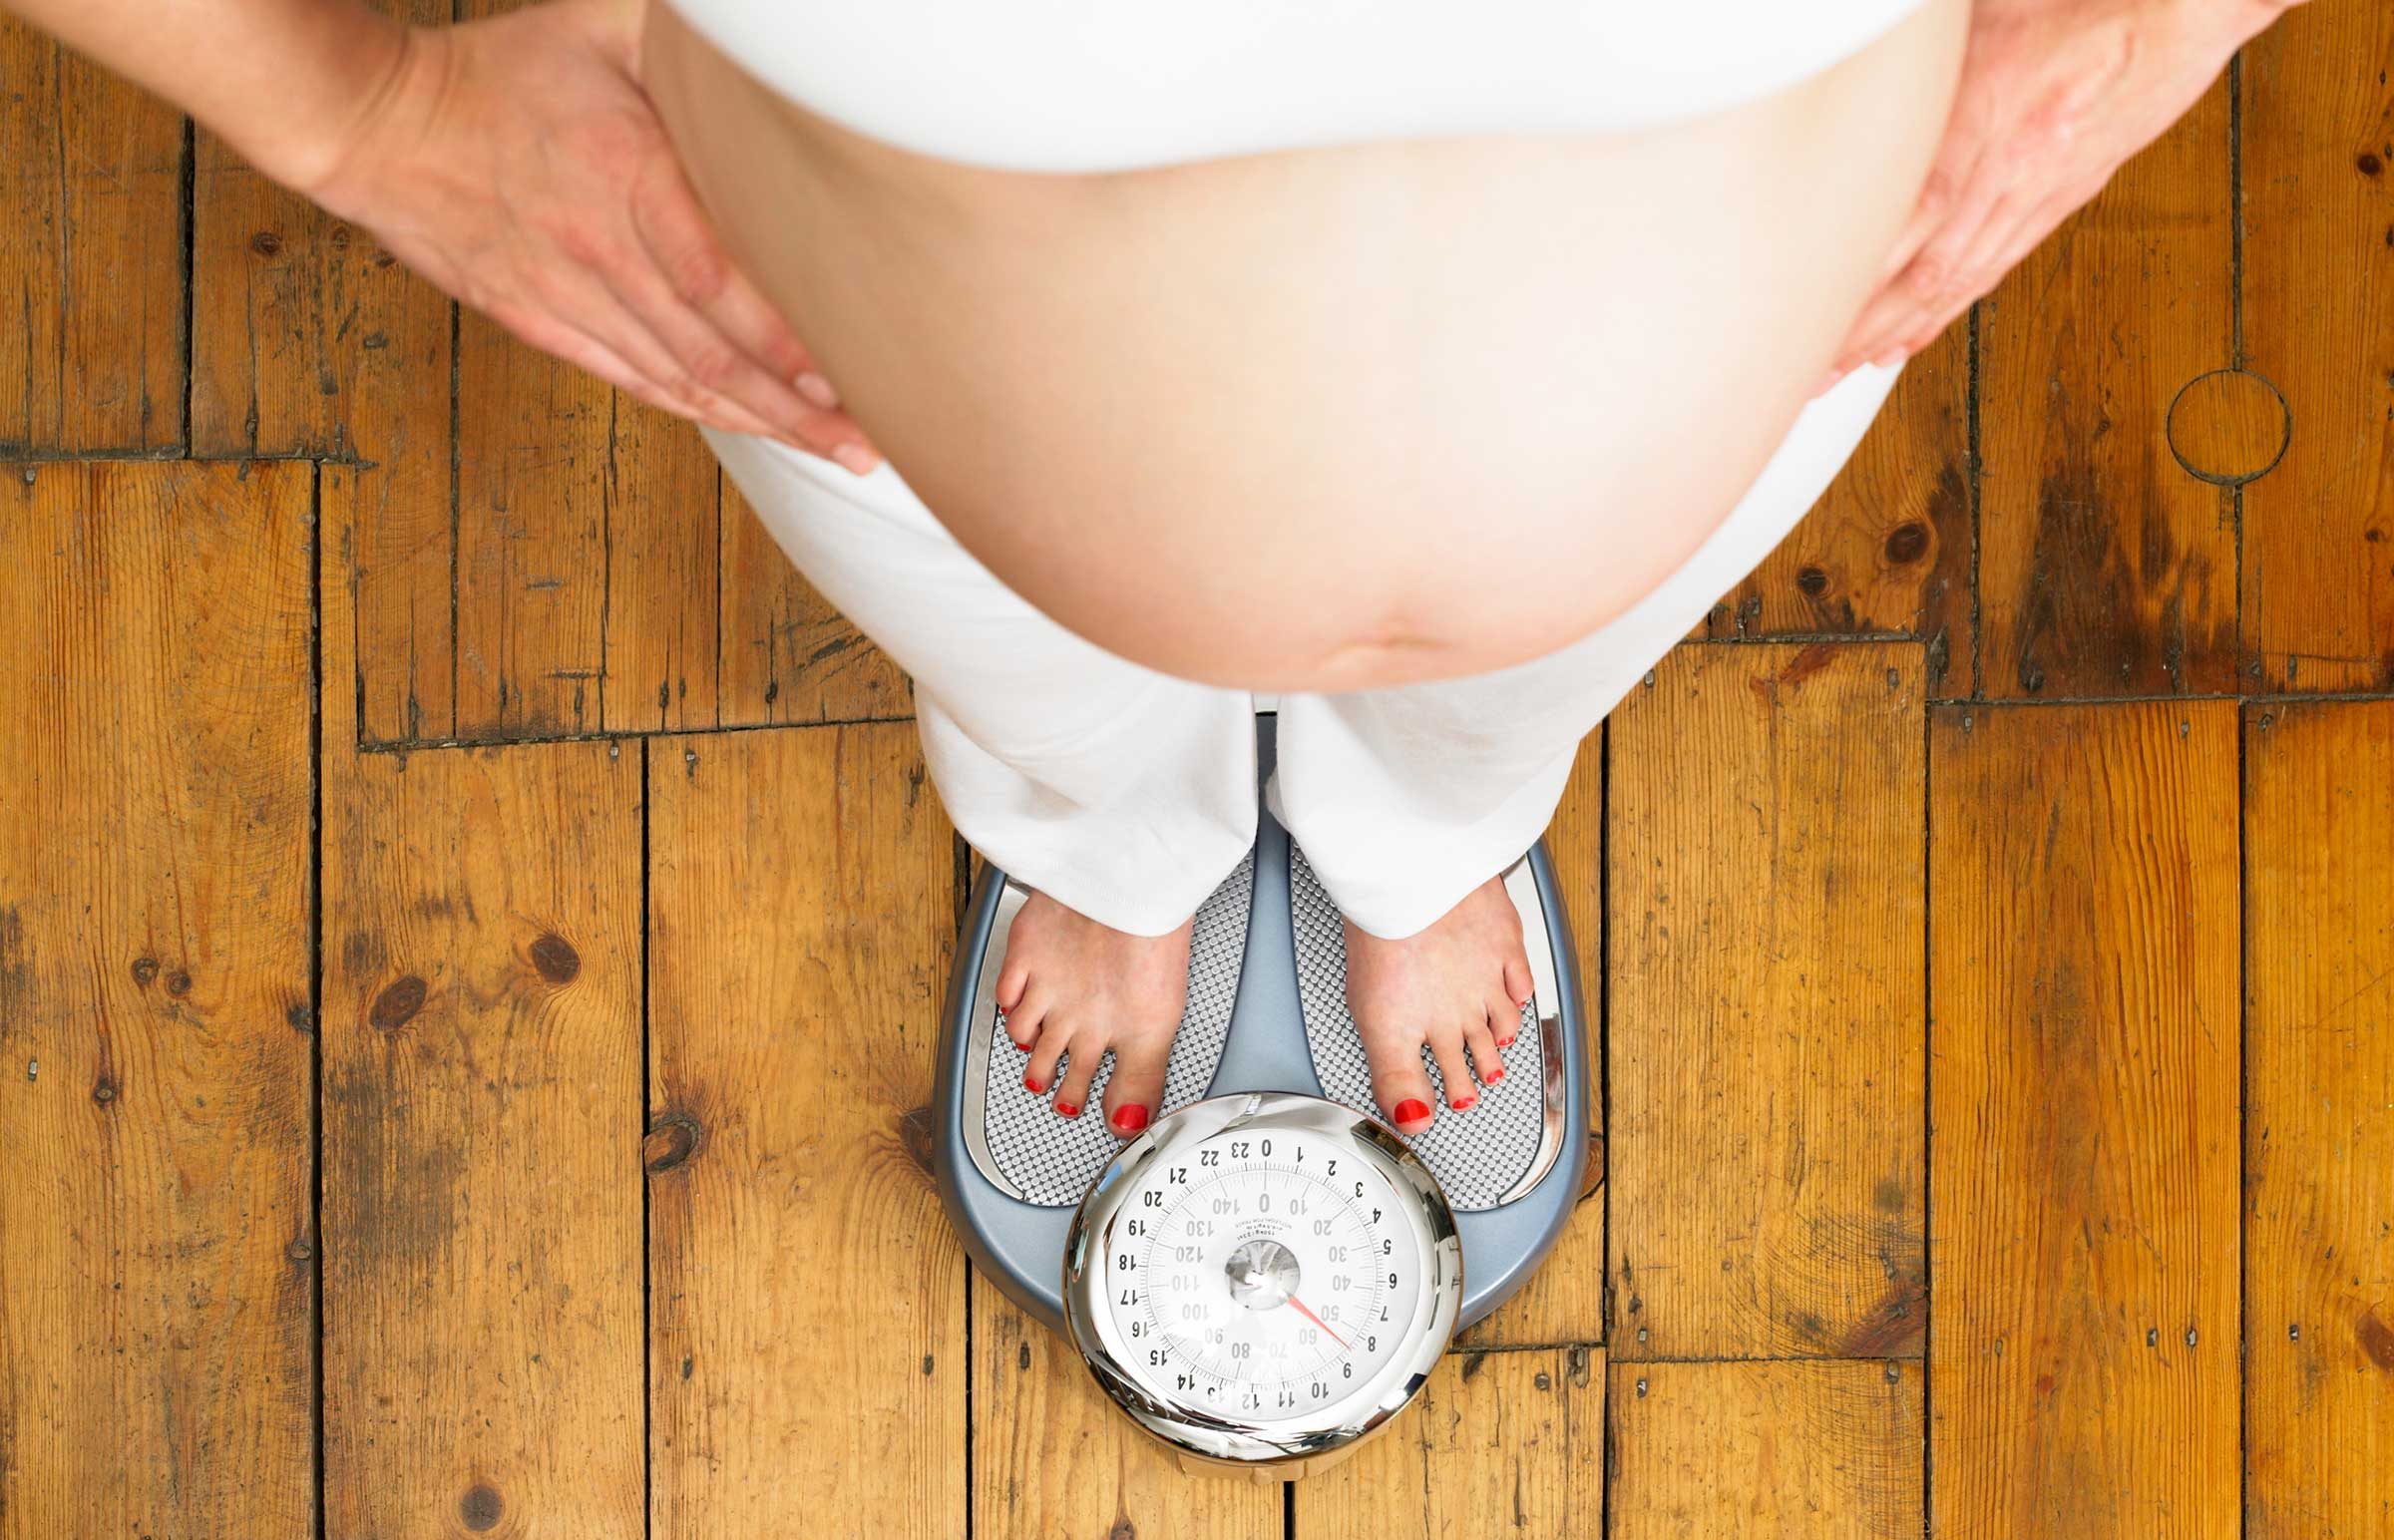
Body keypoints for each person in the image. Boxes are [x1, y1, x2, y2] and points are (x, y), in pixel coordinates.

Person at [13, 0, 2296, 1138]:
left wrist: (2149, 26)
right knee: (1034, 682)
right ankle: (1100, 828)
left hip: (1759, 332)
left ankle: (1434, 828)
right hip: (874, 372)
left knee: (1524, 684)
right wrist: (355, 109)